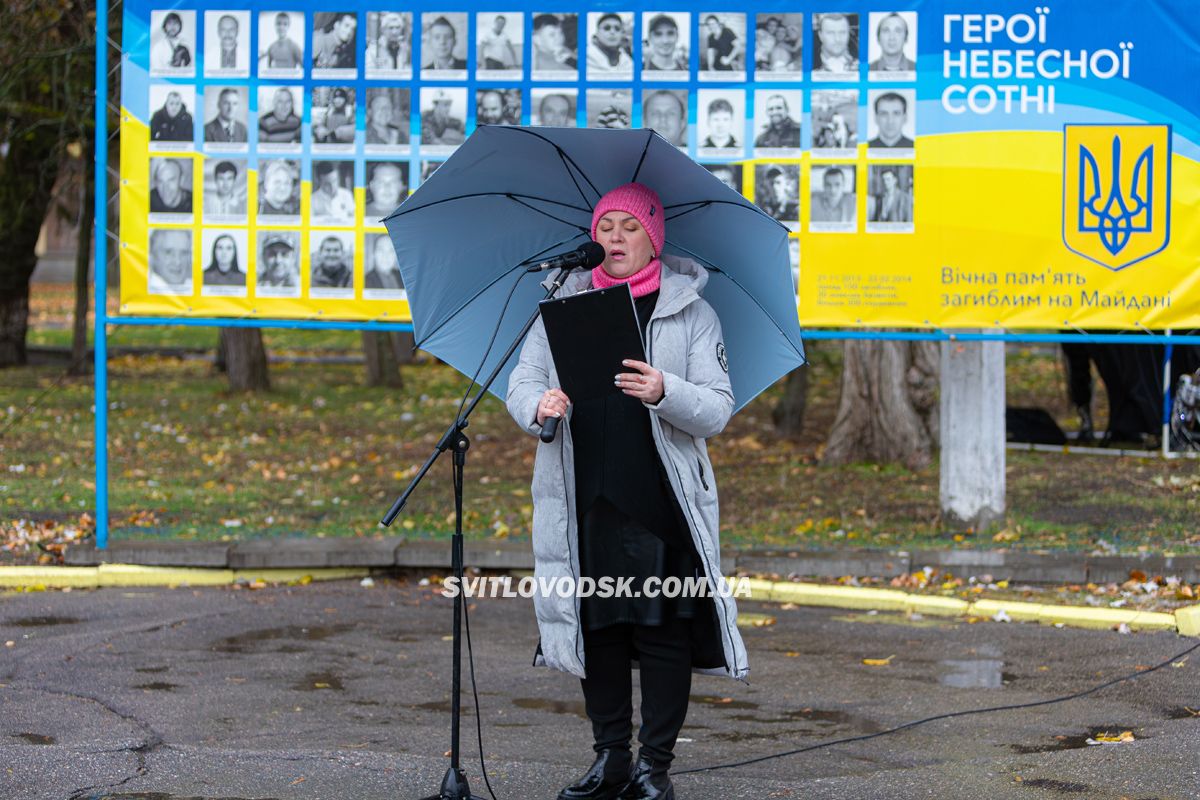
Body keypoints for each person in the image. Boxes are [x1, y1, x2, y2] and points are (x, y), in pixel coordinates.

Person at [506, 182, 746, 800]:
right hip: (585, 495)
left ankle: (653, 769)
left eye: (629, 227)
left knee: (660, 630)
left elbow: (717, 408)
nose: (614, 238)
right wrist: (541, 402)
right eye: (605, 226)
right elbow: (522, 384)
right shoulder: (562, 303)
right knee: (601, 627)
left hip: (659, 501)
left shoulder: (690, 311)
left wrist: (665, 389)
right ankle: (610, 759)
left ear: (654, 237)